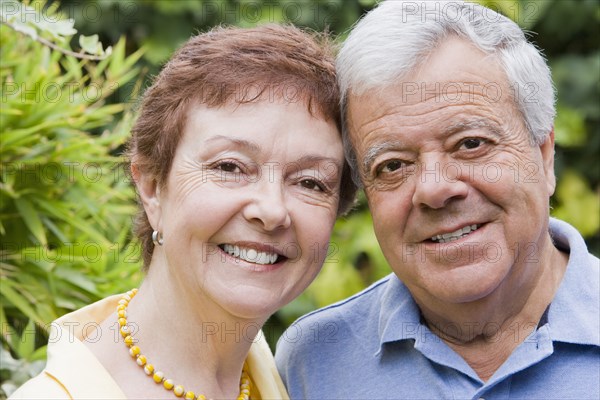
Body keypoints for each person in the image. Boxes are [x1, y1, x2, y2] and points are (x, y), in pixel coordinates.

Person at [10, 24, 356, 399]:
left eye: (310, 182)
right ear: (152, 187)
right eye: (230, 167)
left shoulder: (299, 380)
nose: (272, 210)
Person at [275, 1, 600, 398]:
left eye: (470, 143)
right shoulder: (312, 362)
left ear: (544, 155)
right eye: (393, 166)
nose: (434, 189)